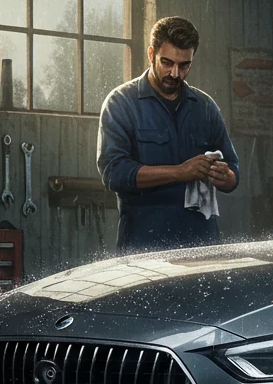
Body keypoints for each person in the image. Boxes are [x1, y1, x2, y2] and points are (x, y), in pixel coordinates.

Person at [97, 16, 240, 252]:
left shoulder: (205, 107)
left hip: (202, 246)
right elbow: (114, 173)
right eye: (167, 62)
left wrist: (227, 177)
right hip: (144, 246)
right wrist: (179, 172)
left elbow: (234, 168)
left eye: (184, 65)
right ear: (151, 54)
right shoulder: (121, 103)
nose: (175, 73)